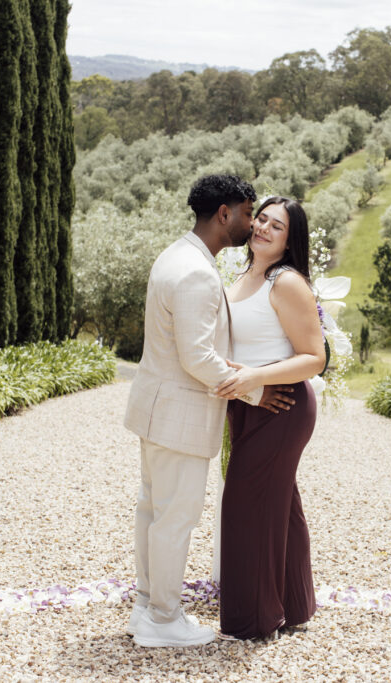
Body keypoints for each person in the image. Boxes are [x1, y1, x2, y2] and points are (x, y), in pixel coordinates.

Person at [123, 175, 293, 648]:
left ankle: (145, 606)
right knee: (175, 517)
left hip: (157, 411)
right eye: (247, 212)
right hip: (179, 416)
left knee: (153, 512)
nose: (252, 223)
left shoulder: (175, 254)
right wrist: (255, 392)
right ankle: (163, 618)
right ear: (224, 213)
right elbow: (197, 358)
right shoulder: (198, 271)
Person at [213, 196, 326, 640]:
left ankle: (252, 621)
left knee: (245, 503)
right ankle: (294, 605)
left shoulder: (287, 282)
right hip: (248, 404)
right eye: (261, 219)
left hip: (281, 408)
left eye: (275, 226)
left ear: (288, 239)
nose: (262, 228)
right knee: (281, 505)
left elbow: (315, 358)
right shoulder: (243, 275)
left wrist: (255, 377)